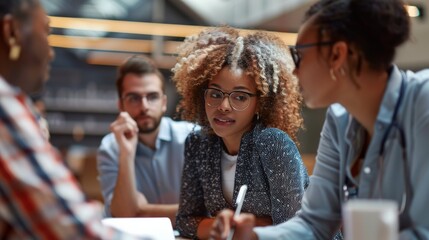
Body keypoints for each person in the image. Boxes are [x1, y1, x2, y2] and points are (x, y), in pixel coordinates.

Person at [210, 0, 429, 239]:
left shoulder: (423, 103)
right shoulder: (340, 120)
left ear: (337, 55)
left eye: (299, 55)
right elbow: (314, 225)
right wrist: (254, 236)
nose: (295, 71)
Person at [0, 0, 139, 238]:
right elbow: (77, 231)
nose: (51, 52)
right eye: (46, 31)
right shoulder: (5, 106)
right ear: (12, 32)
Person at [171, 26, 309, 239]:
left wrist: (238, 228)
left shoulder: (272, 143)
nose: (224, 106)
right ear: (201, 94)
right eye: (215, 94)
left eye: (240, 97)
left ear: (260, 103)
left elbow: (292, 227)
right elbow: (186, 221)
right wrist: (219, 226)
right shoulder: (198, 143)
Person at [97, 55, 197, 226]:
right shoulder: (111, 147)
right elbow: (125, 215)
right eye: (134, 98)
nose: (144, 106)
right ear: (121, 105)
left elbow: (209, 212)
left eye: (152, 97)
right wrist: (126, 153)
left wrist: (142, 211)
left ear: (164, 102)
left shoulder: (193, 138)